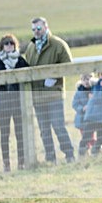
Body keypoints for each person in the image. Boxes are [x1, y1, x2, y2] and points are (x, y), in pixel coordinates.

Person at [23, 17, 75, 164]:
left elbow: (68, 66)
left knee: (58, 126)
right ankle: (50, 158)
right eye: (33, 29)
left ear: (46, 27)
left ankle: (69, 154)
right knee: (44, 130)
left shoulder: (58, 45)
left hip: (54, 94)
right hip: (37, 95)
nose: (36, 32)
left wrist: (55, 78)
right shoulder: (31, 48)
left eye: (38, 28)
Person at [0, 34, 29, 171]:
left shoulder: (20, 60)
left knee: (20, 133)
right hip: (3, 102)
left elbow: (28, 74)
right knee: (4, 134)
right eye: (6, 43)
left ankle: (21, 162)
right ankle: (6, 163)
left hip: (18, 102)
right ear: (1, 46)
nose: (9, 45)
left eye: (11, 43)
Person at [72, 73, 95, 153]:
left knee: (90, 137)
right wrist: (82, 108)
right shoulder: (78, 92)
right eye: (83, 79)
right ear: (81, 80)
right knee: (85, 137)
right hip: (82, 119)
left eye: (88, 79)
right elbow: (74, 104)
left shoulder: (94, 91)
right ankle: (86, 153)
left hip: (92, 119)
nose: (86, 81)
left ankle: (97, 150)